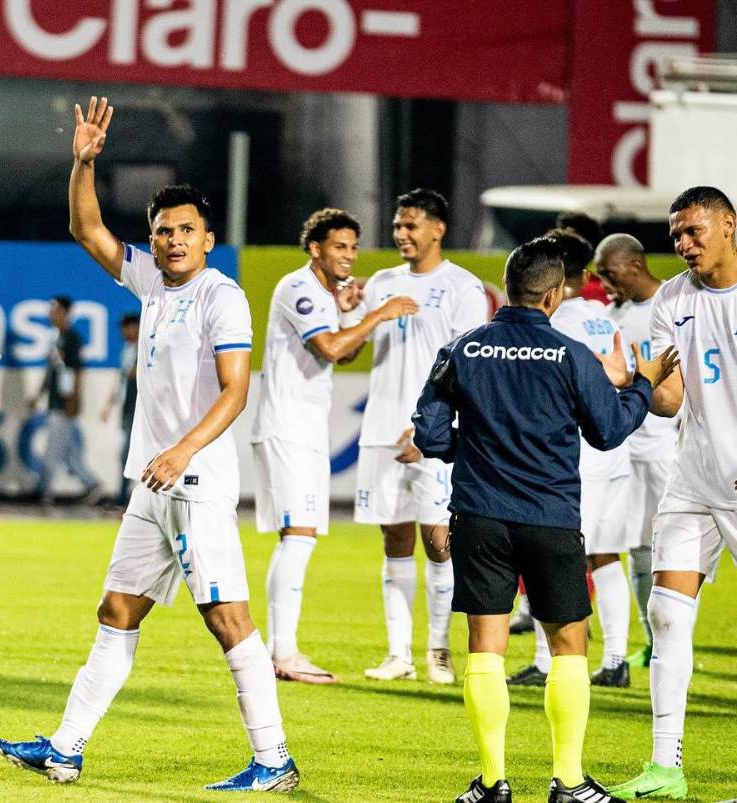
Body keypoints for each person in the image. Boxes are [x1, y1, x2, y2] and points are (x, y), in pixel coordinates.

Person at [0, 96, 298, 792]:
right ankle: (66, 748)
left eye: (186, 230)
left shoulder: (222, 297)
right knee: (117, 611)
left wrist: (184, 450)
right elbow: (86, 226)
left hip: (195, 482)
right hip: (152, 485)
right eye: (162, 231)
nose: (173, 241)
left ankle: (274, 757)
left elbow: (235, 391)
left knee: (227, 618)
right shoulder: (152, 281)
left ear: (208, 239)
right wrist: (83, 161)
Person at [412, 235, 677, 803]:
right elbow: (607, 432)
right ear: (555, 295)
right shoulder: (569, 354)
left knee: (486, 647)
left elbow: (431, 434)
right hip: (549, 517)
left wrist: (481, 446)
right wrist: (644, 383)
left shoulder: (461, 349)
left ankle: (490, 782)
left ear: (507, 288)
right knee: (569, 647)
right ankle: (569, 781)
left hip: (479, 516)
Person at [251, 208, 417, 684]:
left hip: (301, 427)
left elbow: (346, 350)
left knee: (299, 537)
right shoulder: (300, 288)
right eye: (339, 246)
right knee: (299, 537)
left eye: (353, 247)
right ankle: (283, 653)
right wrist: (378, 314)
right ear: (315, 248)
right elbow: (330, 348)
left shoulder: (324, 295)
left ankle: (278, 649)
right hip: (288, 425)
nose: (348, 255)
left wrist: (352, 313)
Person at [610, 186, 737, 801]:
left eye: (694, 231)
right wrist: (637, 380)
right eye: (677, 235)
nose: (683, 244)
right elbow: (669, 401)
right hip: (694, 479)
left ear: (728, 225)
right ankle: (666, 767)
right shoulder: (672, 299)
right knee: (664, 611)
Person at [348, 188, 488, 684]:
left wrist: (432, 424)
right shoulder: (380, 284)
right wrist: (361, 311)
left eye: (411, 225)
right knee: (394, 538)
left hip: (432, 433)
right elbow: (346, 354)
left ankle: (438, 651)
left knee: (440, 541)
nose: (401, 234)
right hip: (381, 428)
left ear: (437, 229)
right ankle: (398, 654)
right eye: (397, 225)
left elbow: (470, 368)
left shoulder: (462, 288)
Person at [509, 230, 634, 689]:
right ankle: (616, 659)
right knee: (605, 556)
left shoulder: (558, 322)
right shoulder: (604, 315)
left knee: (554, 557)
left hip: (576, 458)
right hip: (614, 456)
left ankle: (546, 662)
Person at [594, 233, 678, 671]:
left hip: (671, 450)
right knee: (638, 551)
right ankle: (654, 642)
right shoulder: (613, 316)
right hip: (628, 450)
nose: (605, 284)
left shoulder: (674, 303)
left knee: (675, 556)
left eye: (608, 273)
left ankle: (669, 640)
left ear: (634, 264)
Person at [30, 296, 99, 506]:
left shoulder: (71, 338)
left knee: (53, 449)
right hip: (55, 400)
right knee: (69, 452)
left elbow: (77, 371)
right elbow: (51, 371)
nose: (51, 313)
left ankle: (45, 493)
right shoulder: (55, 337)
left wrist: (73, 399)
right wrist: (39, 394)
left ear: (66, 313)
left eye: (56, 310)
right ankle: (92, 484)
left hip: (63, 402)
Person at [100, 312, 140, 508]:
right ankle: (124, 497)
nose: (124, 332)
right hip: (127, 408)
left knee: (126, 454)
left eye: (128, 327)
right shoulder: (127, 350)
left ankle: (124, 498)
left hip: (138, 410)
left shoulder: (146, 349)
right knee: (126, 454)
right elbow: (121, 379)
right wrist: (109, 404)